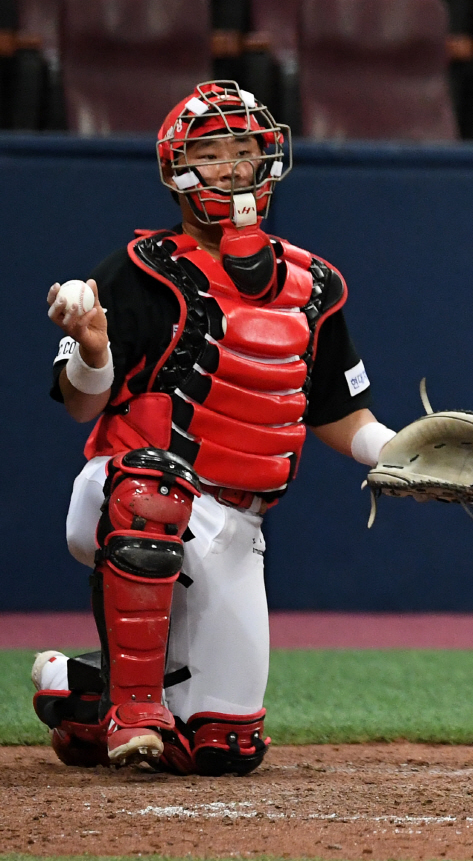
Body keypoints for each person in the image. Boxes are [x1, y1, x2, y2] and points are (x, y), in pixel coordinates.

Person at [35, 81, 400, 774]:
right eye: (215, 152)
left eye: (247, 149)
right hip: (123, 491)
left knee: (223, 750)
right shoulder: (143, 270)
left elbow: (336, 412)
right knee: (154, 484)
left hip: (238, 525)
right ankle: (130, 708)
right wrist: (90, 347)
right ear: (179, 169)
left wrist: (393, 451)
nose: (235, 167)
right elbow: (84, 404)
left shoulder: (313, 283)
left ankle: (74, 690)